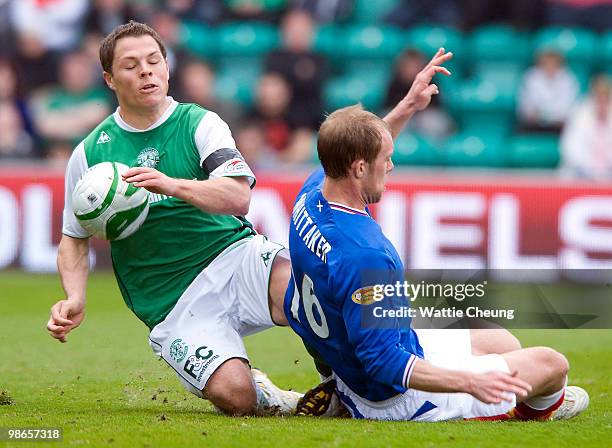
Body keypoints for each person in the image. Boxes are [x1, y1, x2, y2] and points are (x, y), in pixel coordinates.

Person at [285, 48, 590, 421]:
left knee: (502, 342)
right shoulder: (365, 254)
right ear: (360, 167)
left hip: (349, 361)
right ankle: (513, 412)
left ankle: (343, 392)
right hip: (396, 398)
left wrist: (408, 106)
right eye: (386, 160)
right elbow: (384, 362)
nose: (392, 166)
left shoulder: (313, 192)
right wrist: (466, 382)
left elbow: (362, 145)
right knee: (552, 364)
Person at [45, 21, 300, 417]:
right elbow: (74, 237)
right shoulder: (89, 152)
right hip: (171, 302)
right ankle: (265, 393)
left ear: (166, 67)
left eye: (153, 60)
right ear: (110, 79)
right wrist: (75, 296)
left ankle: (357, 386)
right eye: (131, 65)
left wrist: (173, 185)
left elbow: (238, 197)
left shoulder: (200, 123)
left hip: (233, 257)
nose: (146, 70)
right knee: (236, 398)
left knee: (311, 295)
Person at [561, 74, 612, 181]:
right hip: (581, 172)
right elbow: (570, 147)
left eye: (605, 96)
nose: (602, 100)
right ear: (592, 95)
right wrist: (592, 168)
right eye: (598, 95)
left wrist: (604, 169)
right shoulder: (580, 112)